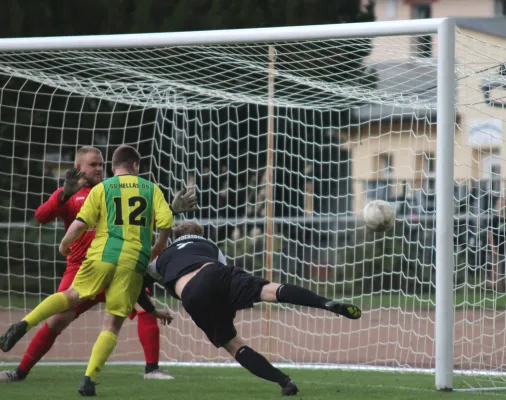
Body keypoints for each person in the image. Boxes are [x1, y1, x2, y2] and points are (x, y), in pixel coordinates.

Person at [0, 145, 198, 396]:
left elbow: (139, 216)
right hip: (87, 265)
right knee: (58, 320)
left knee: (144, 308)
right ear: (78, 167)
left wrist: (172, 208)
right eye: (93, 164)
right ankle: (21, 370)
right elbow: (40, 216)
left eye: (101, 164)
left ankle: (152, 368)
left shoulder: (110, 189)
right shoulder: (72, 193)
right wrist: (63, 195)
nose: (98, 168)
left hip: (105, 262)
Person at [145, 220, 362, 396]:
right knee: (270, 290)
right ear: (201, 235)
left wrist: (153, 310)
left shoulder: (162, 256)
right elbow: (222, 268)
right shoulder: (209, 246)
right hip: (217, 273)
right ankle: (325, 303)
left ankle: (284, 381)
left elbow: (140, 283)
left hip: (193, 293)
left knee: (233, 344)